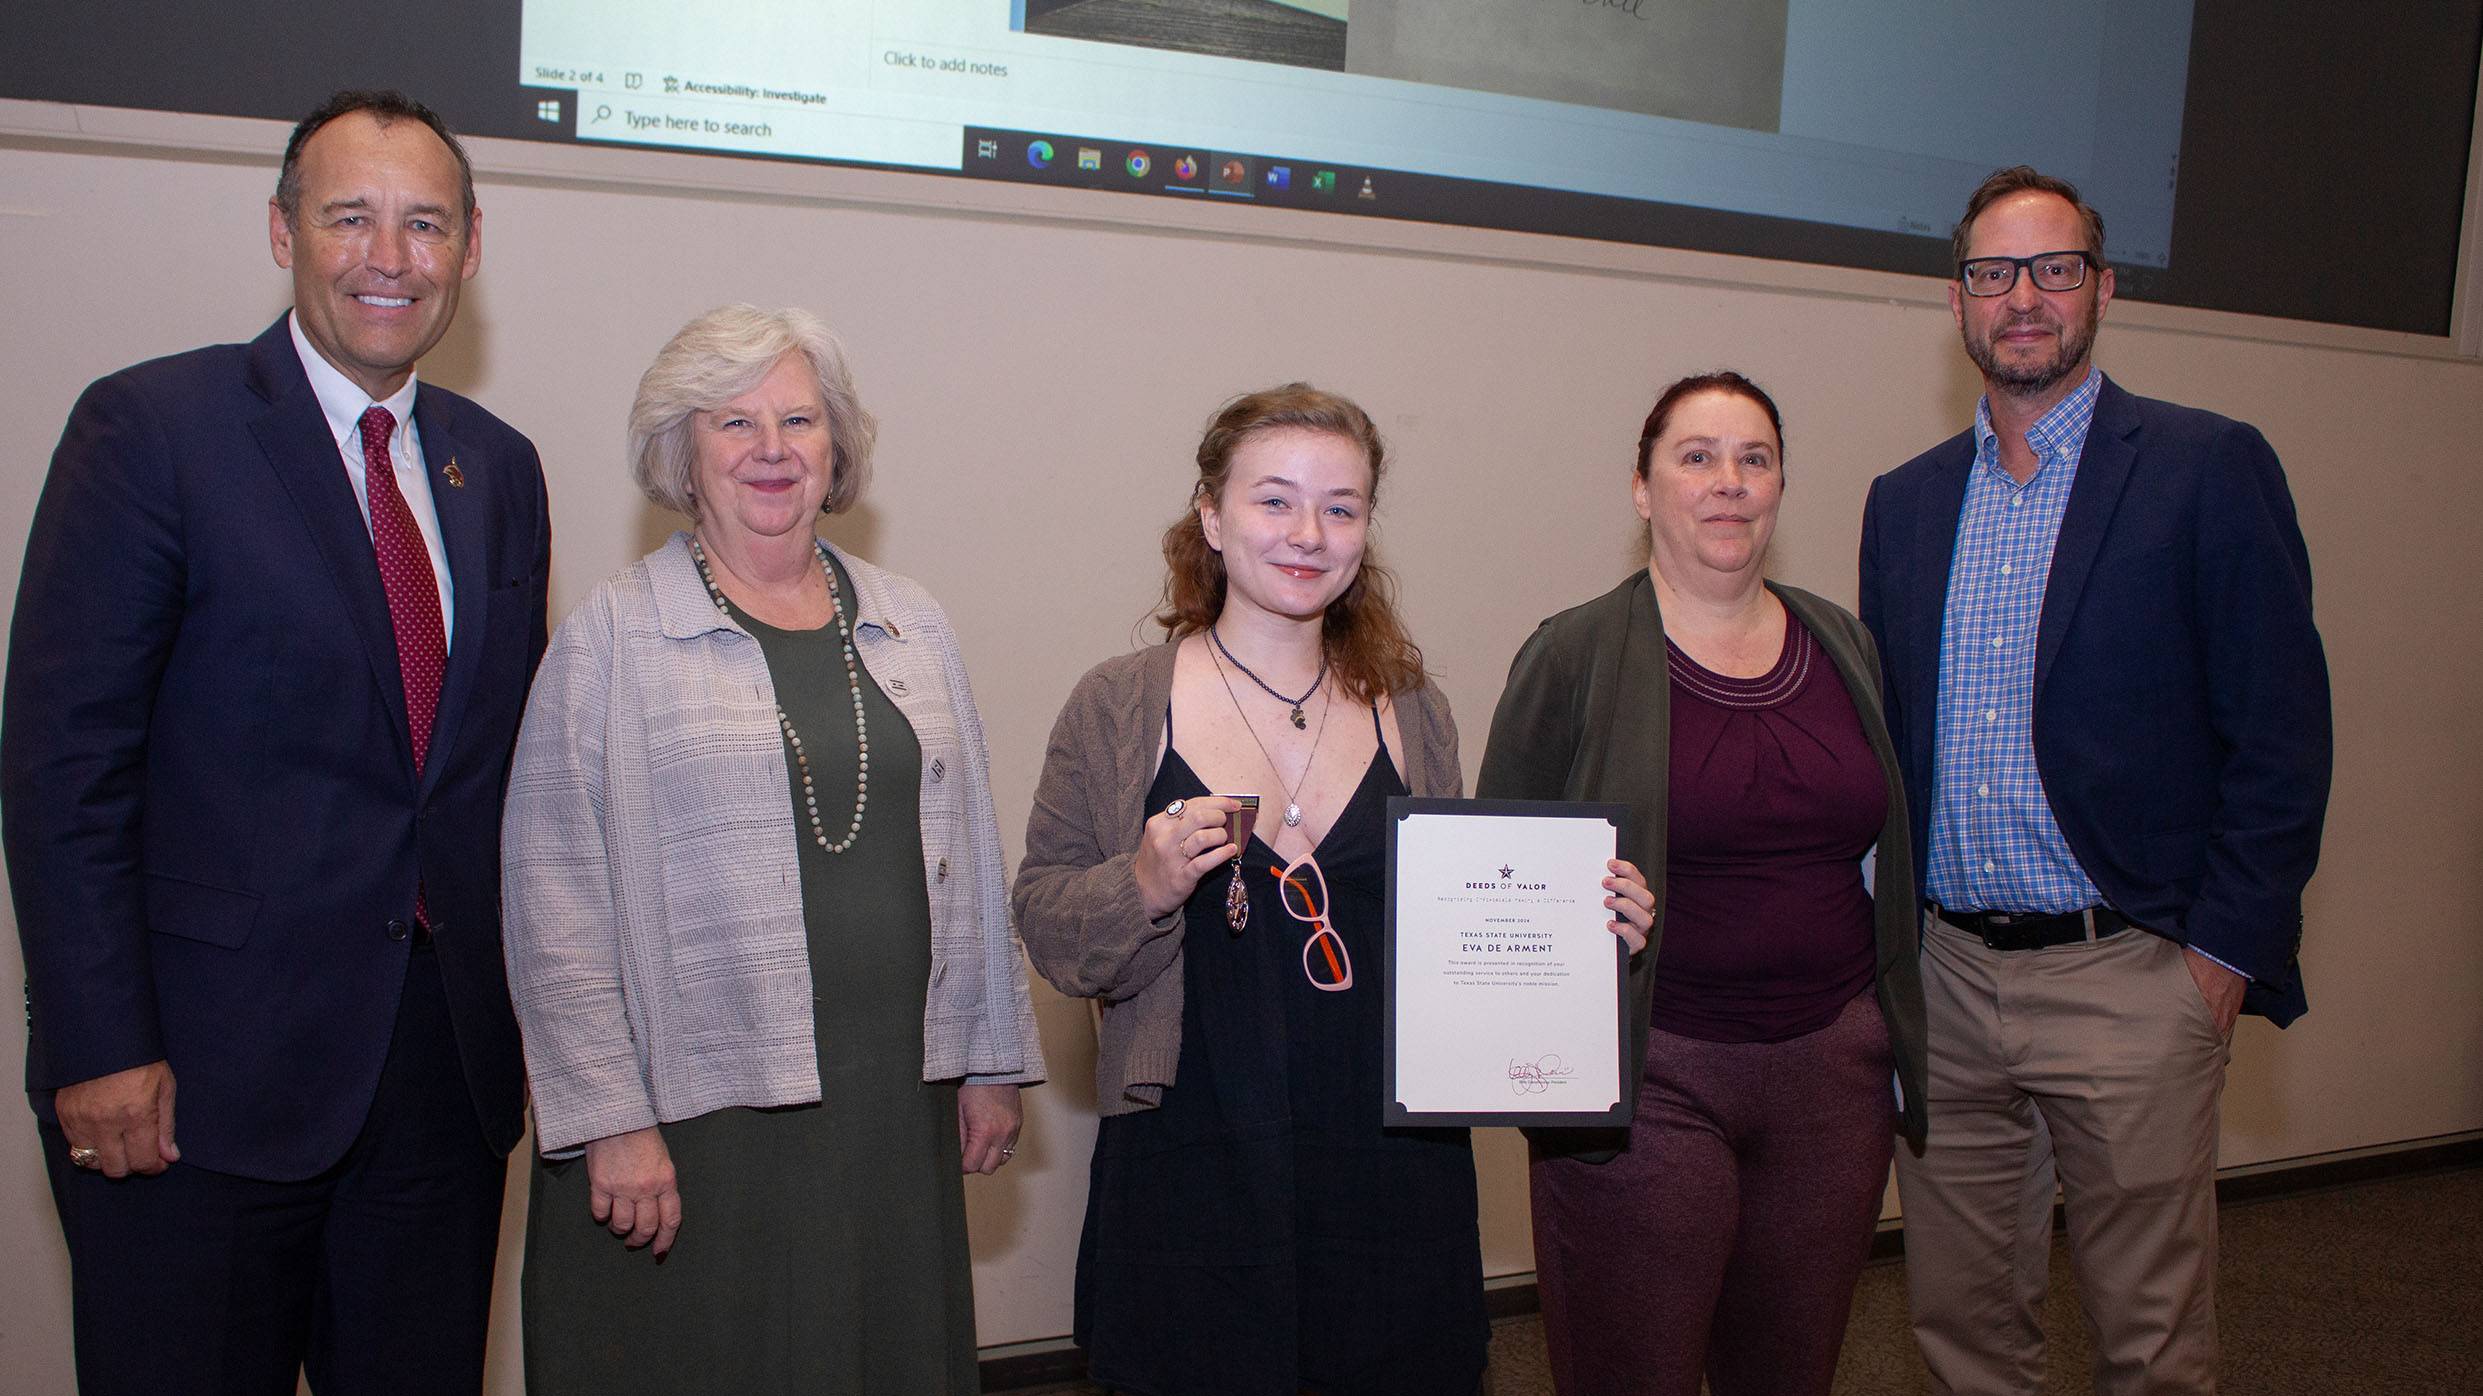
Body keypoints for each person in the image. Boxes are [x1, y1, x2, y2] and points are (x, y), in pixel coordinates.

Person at [0, 90, 546, 1394]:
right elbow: (64, 764)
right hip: (194, 1086)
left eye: (425, 225)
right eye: (349, 217)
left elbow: (493, 774)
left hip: (436, 1088)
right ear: (281, 231)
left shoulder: (499, 468)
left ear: (470, 249)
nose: (388, 257)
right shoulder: (153, 431)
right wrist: (97, 1043)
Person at [1014, 384, 1652, 1395]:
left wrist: (1578, 936)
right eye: (1274, 500)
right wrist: (1140, 881)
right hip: (1194, 1154)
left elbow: (1461, 938)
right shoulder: (1116, 704)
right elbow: (1046, 921)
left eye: (1341, 506)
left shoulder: (1415, 710)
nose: (1308, 533)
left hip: (1390, 1167)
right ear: (1211, 517)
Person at [500, 303, 1043, 1393]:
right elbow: (550, 896)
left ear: (836, 447)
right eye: (732, 422)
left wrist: (988, 1054)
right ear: (679, 452)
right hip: (694, 1118)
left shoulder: (911, 624)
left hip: (888, 1100)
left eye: (799, 419)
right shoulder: (611, 635)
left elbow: (970, 856)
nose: (771, 449)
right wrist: (609, 1118)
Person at [1859, 166, 2332, 1395]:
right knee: (1961, 1335)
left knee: (2151, 1344)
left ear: (2101, 289)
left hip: (2129, 975)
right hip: (1947, 982)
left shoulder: (2204, 468)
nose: (2020, 297)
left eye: (2051, 268)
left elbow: (2281, 738)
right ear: (1955, 301)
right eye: (1990, 273)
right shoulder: (1902, 505)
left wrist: (2218, 959)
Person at [1477, 372, 1926, 1396]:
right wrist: (1568, 912)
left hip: (1831, 1077)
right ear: (1640, 489)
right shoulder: (1573, 654)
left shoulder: (1841, 642)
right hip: (1648, 1077)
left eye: (1753, 459)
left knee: (1789, 1370)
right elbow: (1499, 877)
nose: (1727, 483)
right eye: (1695, 457)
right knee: (1631, 1370)